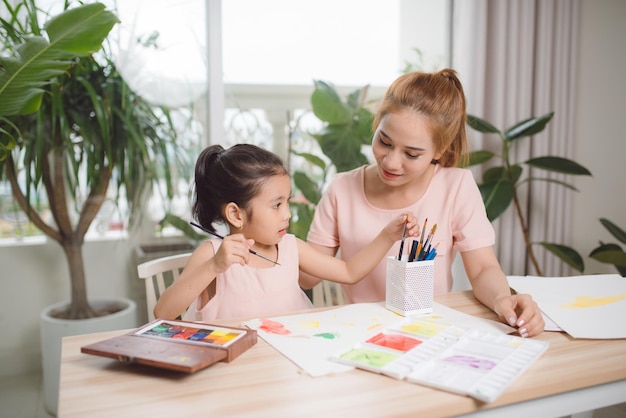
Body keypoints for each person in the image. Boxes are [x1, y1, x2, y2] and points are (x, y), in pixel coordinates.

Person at [300, 69, 545, 337]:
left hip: (428, 334)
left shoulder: (457, 187)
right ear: (377, 124)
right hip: (360, 336)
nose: (391, 162)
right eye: (384, 141)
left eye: (412, 154)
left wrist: (502, 299)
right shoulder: (342, 189)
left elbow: (484, 268)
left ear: (439, 150)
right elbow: (307, 277)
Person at [154, 143, 419, 321]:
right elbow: (163, 312)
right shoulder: (211, 256)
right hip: (236, 382)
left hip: (288, 377)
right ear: (236, 214)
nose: (288, 214)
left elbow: (349, 272)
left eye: (287, 202)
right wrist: (214, 266)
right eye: (276, 205)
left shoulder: (292, 248)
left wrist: (388, 236)